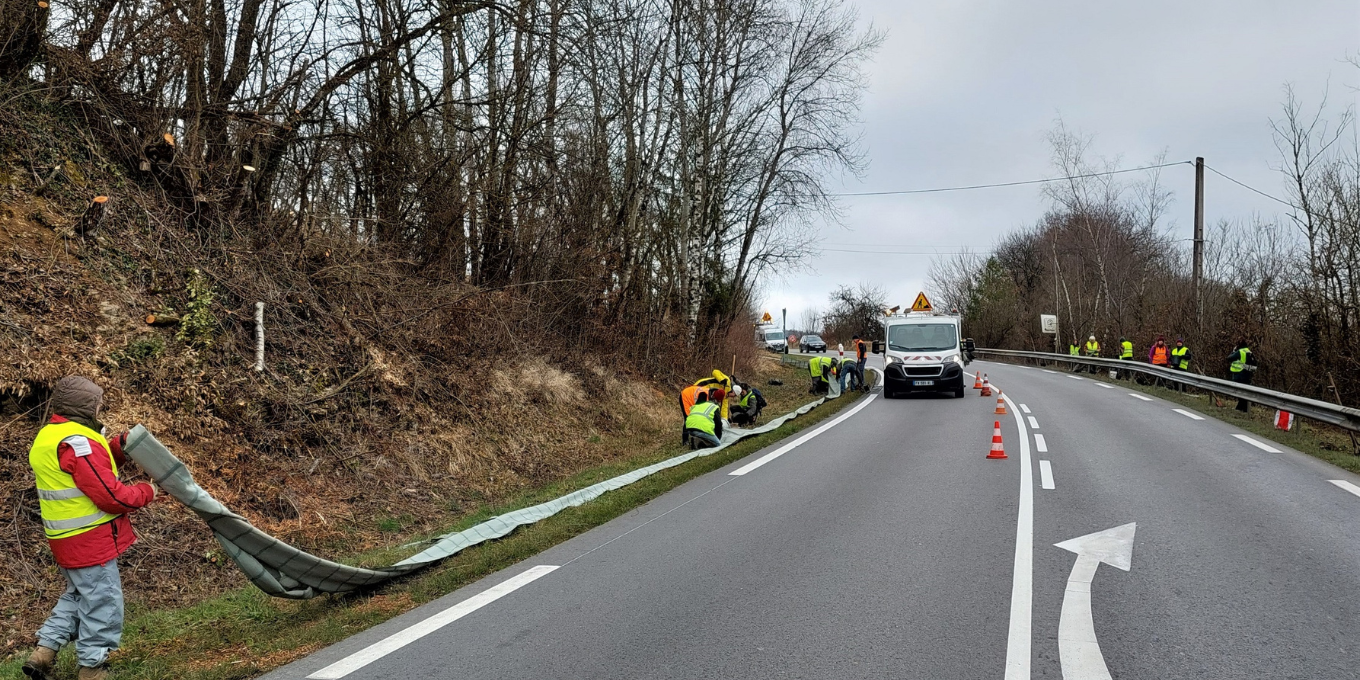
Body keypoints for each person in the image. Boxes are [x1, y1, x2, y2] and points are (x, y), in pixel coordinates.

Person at [23, 377, 157, 680]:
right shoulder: (78, 442)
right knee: (103, 602)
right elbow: (109, 495)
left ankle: (43, 652)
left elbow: (85, 470)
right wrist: (147, 493)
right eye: (96, 402)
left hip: (64, 538)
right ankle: (92, 668)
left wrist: (118, 448)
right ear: (83, 407)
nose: (100, 407)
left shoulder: (51, 435)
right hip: (89, 540)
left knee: (79, 595)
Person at [1228, 341, 1257, 412]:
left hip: (1239, 375)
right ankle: (1243, 409)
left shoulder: (1240, 352)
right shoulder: (1249, 352)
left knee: (1240, 393)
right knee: (1244, 393)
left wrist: (1233, 351)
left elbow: (1229, 358)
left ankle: (1241, 408)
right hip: (1248, 376)